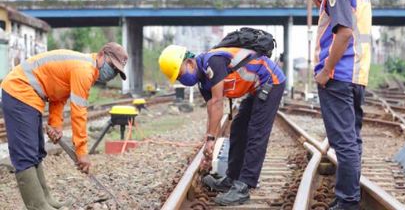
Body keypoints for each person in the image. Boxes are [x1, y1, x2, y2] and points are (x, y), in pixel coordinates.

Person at [0, 42, 128, 210]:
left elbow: (58, 94)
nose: (112, 73)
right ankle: (37, 206)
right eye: (112, 66)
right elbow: (79, 113)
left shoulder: (85, 68)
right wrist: (82, 152)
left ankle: (46, 199)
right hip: (19, 91)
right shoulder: (84, 70)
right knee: (25, 153)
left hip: (31, 95)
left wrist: (55, 124)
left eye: (116, 72)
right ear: (102, 55)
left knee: (36, 150)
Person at [159, 44, 285, 206]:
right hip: (257, 88)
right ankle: (232, 178)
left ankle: (244, 185)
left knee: (256, 132)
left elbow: (218, 102)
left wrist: (212, 139)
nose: (181, 80)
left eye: (180, 74)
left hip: (271, 81)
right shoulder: (203, 82)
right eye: (177, 78)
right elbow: (212, 111)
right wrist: (209, 143)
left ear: (189, 63)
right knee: (239, 127)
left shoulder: (213, 62)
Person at [304, 0, 372, 210]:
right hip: (356, 75)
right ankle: (347, 197)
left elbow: (343, 33)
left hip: (338, 77)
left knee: (343, 143)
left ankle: (347, 202)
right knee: (351, 140)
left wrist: (326, 71)